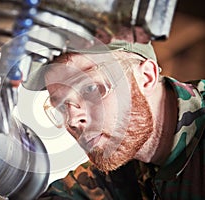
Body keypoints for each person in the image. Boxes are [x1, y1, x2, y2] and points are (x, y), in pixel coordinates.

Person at [23, 39, 205, 199]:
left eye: (91, 89)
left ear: (146, 77)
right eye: (62, 105)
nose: (72, 120)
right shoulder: (123, 160)